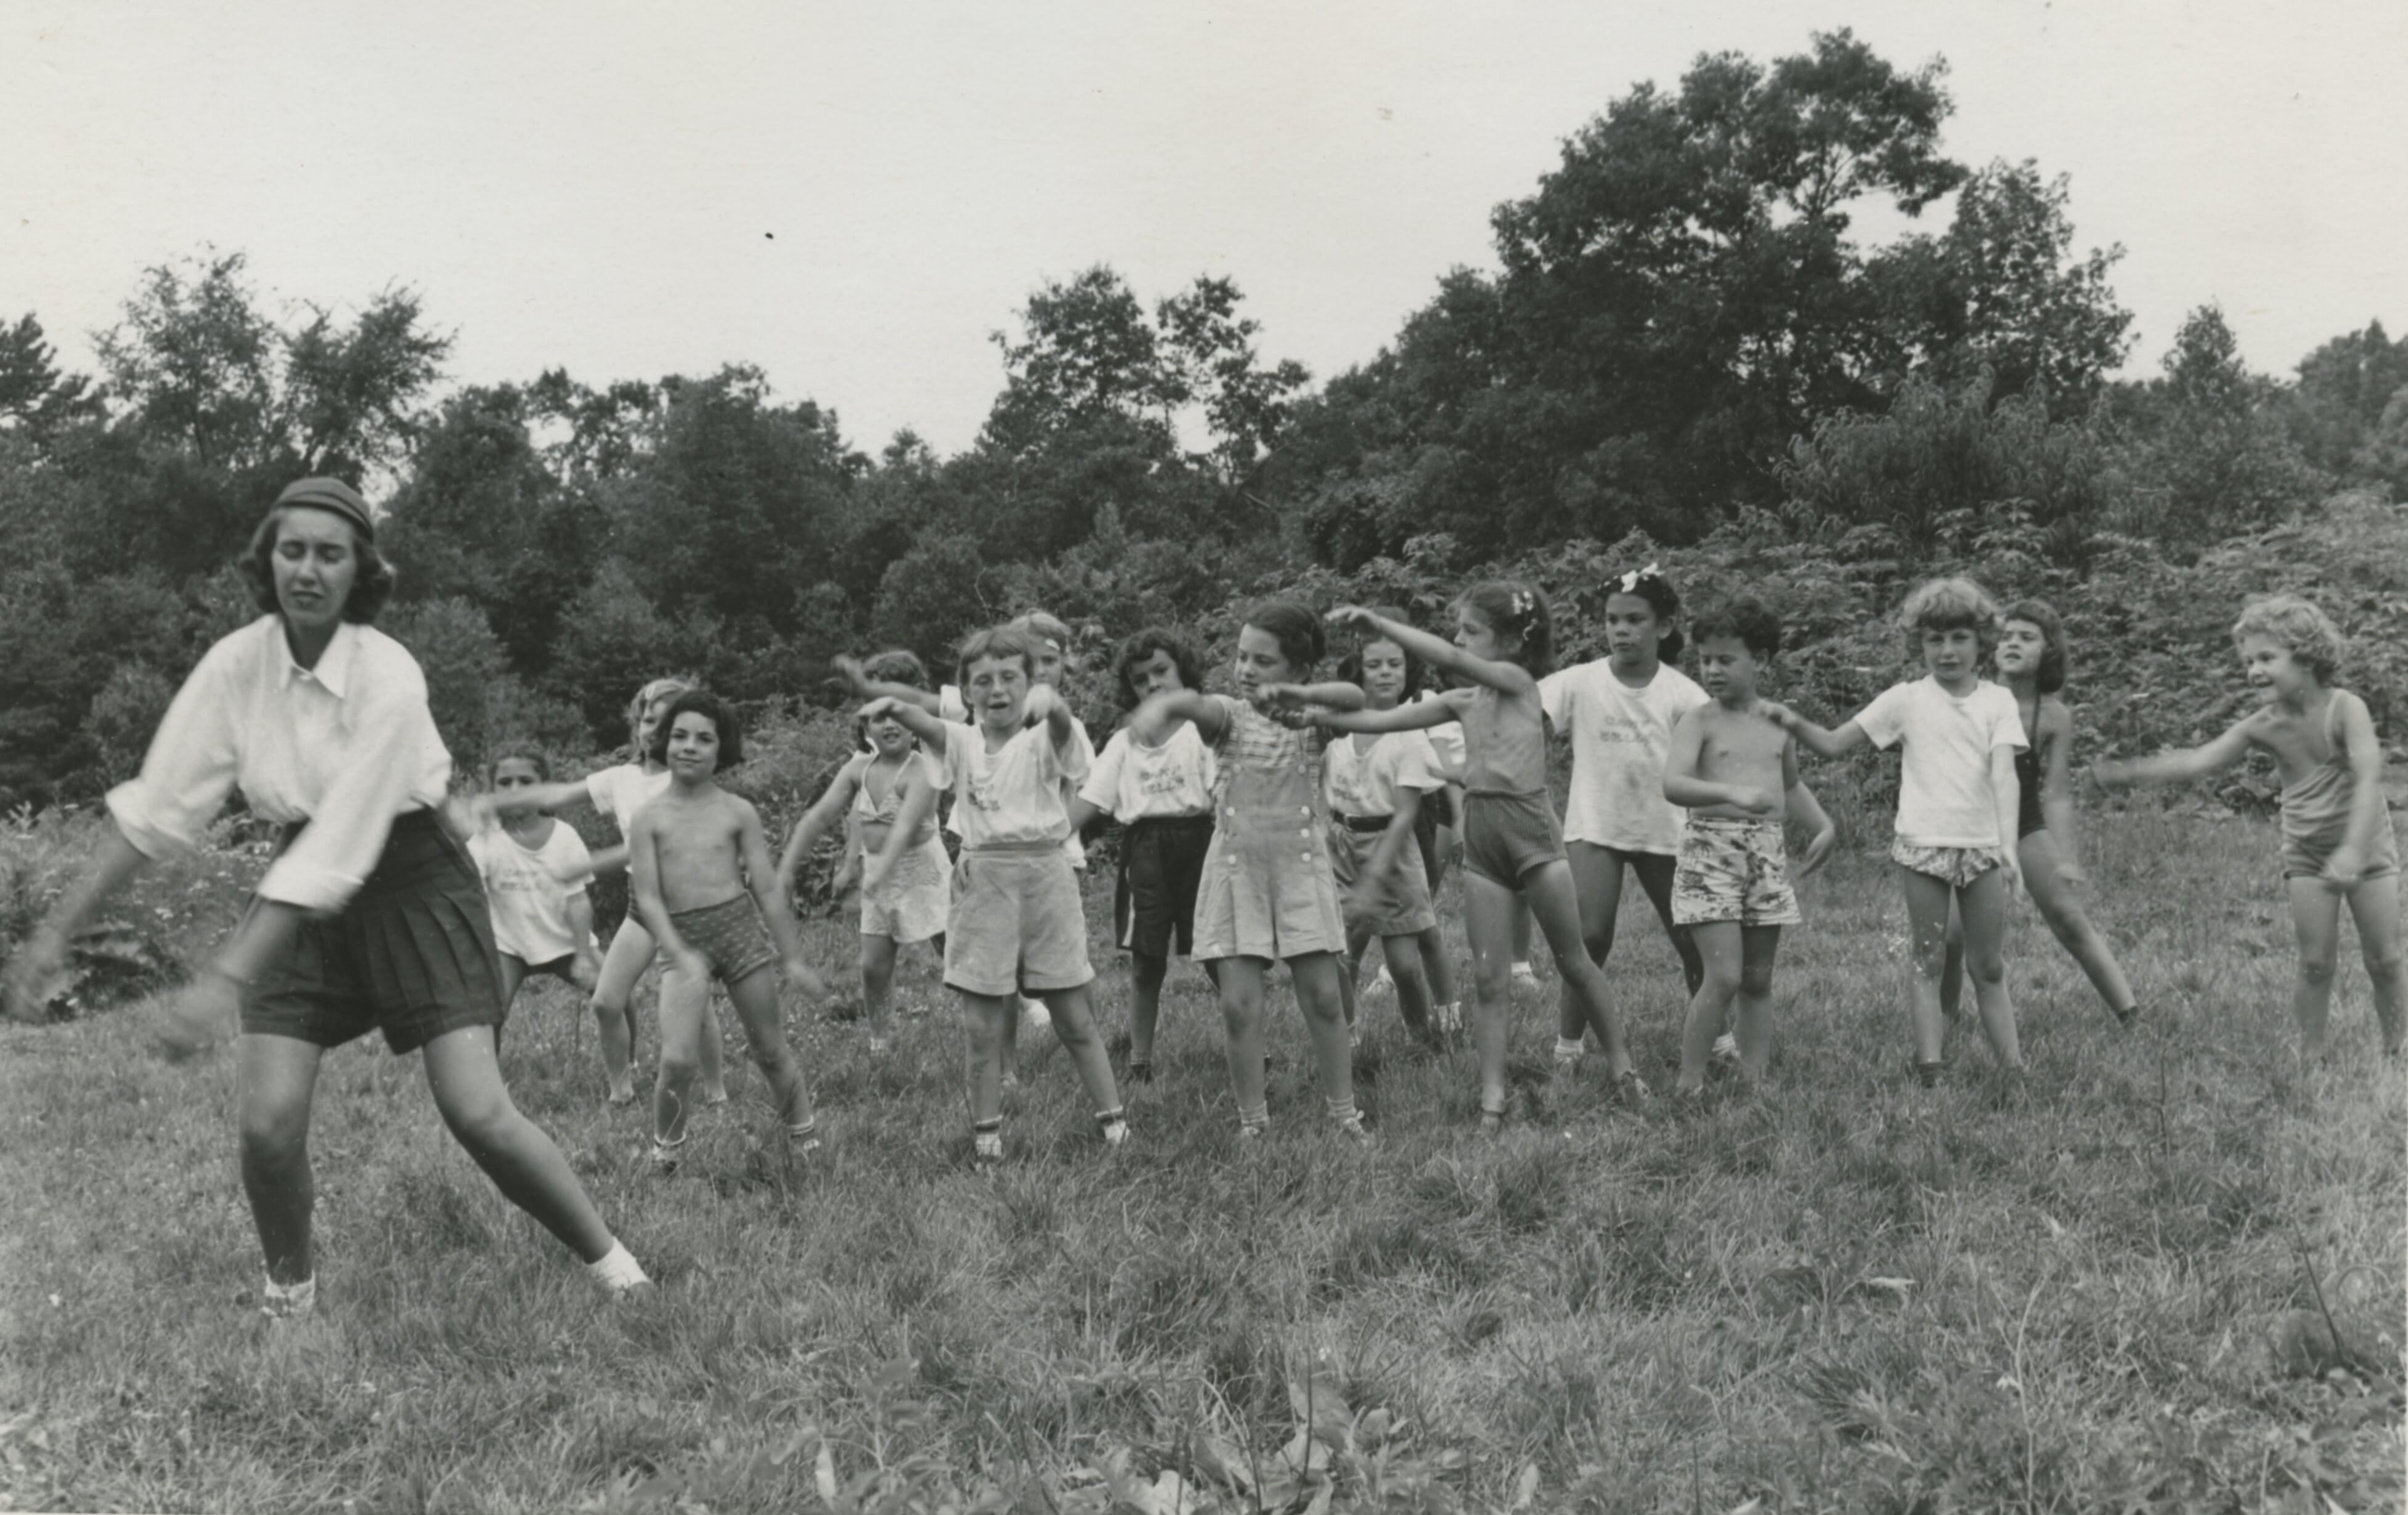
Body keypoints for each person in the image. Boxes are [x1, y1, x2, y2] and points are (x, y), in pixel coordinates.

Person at [2, 477, 648, 1314]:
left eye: (329, 553)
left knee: (478, 1110)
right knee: (267, 1125)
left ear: (360, 571)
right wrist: (58, 930)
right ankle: (290, 1294)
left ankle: (616, 1268)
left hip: (414, 877)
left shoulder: (391, 675)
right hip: (296, 883)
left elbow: (341, 849)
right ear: (268, 558)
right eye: (292, 548)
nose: (307, 568)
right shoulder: (236, 664)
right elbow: (156, 811)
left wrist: (222, 978)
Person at [1300, 587, 1643, 1129]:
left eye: (1470, 629)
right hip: (1484, 838)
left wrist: (1383, 625)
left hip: (1529, 829)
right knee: (1488, 979)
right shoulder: (1462, 703)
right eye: (1457, 629)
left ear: (1510, 640)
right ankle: (1492, 1097)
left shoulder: (1520, 684)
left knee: (1573, 960)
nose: (1458, 638)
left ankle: (1624, 1068)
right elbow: (1377, 721)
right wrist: (1307, 715)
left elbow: (1451, 659)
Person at [861, 626, 1127, 1166]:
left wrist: (1052, 706)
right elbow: (922, 720)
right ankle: (987, 1139)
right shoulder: (958, 740)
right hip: (983, 881)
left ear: (1031, 683)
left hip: (1047, 879)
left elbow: (1064, 738)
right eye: (983, 681)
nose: (997, 690)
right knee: (981, 1023)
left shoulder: (1049, 734)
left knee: (1073, 1015)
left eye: (1011, 678)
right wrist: (885, 695)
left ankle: (1116, 1127)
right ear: (966, 691)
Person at [2096, 594, 2403, 1057]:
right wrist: (2131, 772)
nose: (2253, 670)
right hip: (2307, 854)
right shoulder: (2263, 725)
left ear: (2306, 656)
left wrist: (2354, 850)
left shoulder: (2346, 708)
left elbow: (2368, 779)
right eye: (2248, 660)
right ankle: (2309, 1058)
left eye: (2266, 658)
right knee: (2316, 962)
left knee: (2385, 958)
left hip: (2368, 849)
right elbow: (2198, 762)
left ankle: (2398, 1052)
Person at [1766, 577, 2028, 1086]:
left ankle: (2013, 1070)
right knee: (1928, 957)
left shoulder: (1998, 702)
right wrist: (1789, 720)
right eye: (1935, 639)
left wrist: (2009, 844)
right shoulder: (1904, 700)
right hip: (1923, 849)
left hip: (1982, 851)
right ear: (1919, 644)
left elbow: (2004, 774)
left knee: (1988, 965)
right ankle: (1930, 1066)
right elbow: (1837, 743)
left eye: (1959, 638)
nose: (1947, 651)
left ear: (1981, 642)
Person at [1126, 601, 1371, 1140]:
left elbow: (1357, 697)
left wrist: (1302, 700)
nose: (1246, 670)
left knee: (1326, 998)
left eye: (1263, 661)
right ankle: (1253, 1122)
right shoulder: (1229, 718)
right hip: (1237, 874)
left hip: (1301, 871)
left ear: (1300, 671)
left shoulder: (1310, 721)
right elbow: (1200, 706)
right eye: (1241, 657)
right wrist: (1172, 704)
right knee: (1239, 1007)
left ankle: (1343, 1114)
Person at [489, 676, 727, 1106]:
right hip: (642, 906)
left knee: (698, 1006)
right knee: (605, 1000)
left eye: (669, 721)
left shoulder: (692, 782)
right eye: (648, 720)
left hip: (689, 906)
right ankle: (621, 1092)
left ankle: (716, 1092)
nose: (655, 730)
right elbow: (562, 794)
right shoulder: (621, 778)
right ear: (637, 727)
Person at [629, 690, 828, 1169]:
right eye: (679, 736)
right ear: (662, 742)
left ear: (723, 749)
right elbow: (648, 899)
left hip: (739, 935)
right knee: (677, 1060)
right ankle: (666, 1152)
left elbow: (765, 887)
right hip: (682, 943)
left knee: (771, 1049)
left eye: (704, 738)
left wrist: (794, 957)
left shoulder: (738, 812)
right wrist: (678, 950)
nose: (689, 747)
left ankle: (805, 1139)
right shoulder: (648, 817)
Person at [1537, 564, 1710, 1071]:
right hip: (1596, 826)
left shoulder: (1685, 695)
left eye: (1635, 620)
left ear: (1663, 626)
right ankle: (1568, 1048)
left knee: (1692, 939)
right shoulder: (1578, 681)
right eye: (1613, 620)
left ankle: (1714, 1039)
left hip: (1666, 830)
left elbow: (1709, 763)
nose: (1621, 630)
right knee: (1587, 938)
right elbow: (1529, 724)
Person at [1661, 597, 1835, 1094]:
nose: (1712, 669)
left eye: (1725, 659)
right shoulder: (1699, 721)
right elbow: (1673, 783)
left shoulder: (1778, 722)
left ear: (1761, 659)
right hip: (1709, 853)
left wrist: (1823, 825)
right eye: (1705, 660)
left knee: (1758, 978)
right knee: (1725, 976)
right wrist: (1731, 793)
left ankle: (1755, 1079)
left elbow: (1792, 786)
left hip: (1765, 855)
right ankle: (1689, 1080)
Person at [1941, 601, 2140, 1026]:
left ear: (2048, 651)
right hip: (1968, 828)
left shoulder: (2053, 715)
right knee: (1953, 935)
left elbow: (2058, 793)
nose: (2013, 643)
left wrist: (2066, 857)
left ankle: (2132, 1015)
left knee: (2070, 916)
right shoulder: (1965, 697)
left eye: (2027, 637)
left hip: (2025, 824)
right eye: (2008, 635)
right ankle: (1945, 1021)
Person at [1067, 628, 1219, 1083]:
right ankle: (1140, 1059)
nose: (1153, 685)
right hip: (1146, 852)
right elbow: (1090, 800)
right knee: (1145, 959)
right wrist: (1044, 835)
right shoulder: (1123, 742)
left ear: (1182, 672)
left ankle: (1250, 1040)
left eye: (1161, 671)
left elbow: (1224, 790)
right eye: (1140, 679)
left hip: (1202, 843)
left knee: (1219, 952)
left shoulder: (1202, 731)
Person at [1322, 609, 1447, 1047]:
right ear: (1357, 671)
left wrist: (1375, 877)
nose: (1385, 673)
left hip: (1391, 854)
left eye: (1395, 664)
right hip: (1340, 846)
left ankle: (1421, 1034)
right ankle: (1348, 1036)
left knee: (1404, 966)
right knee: (1341, 954)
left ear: (1409, 669)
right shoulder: (1338, 729)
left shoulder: (1409, 735)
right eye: (1374, 665)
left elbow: (1406, 815)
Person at [466, 748, 603, 1036]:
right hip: (509, 946)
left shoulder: (564, 836)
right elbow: (468, 895)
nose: (515, 790)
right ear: (492, 790)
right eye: (505, 783)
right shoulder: (486, 839)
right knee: (487, 1015)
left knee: (614, 996)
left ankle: (629, 1063)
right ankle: (486, 1078)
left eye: (526, 781)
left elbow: (578, 900)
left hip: (566, 942)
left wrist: (583, 955)